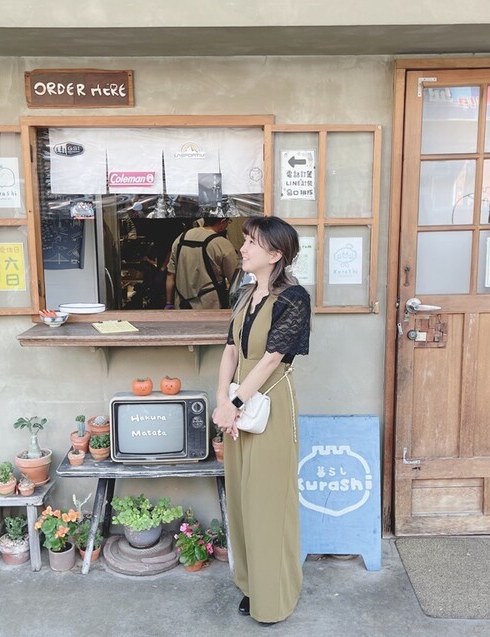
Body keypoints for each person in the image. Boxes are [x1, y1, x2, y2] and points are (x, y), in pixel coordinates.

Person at [212, 216, 311, 624]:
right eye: (246, 240)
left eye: (252, 242)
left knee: (269, 502)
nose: (243, 248)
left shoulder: (294, 299)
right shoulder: (245, 294)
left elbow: (271, 360)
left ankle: (274, 598)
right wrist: (222, 399)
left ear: (275, 254)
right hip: (238, 407)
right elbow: (230, 350)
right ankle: (252, 585)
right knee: (241, 499)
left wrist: (234, 402)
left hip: (269, 407)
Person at [165, 216, 239, 309]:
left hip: (181, 305)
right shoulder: (221, 243)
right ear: (222, 221)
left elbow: (170, 275)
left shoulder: (181, 238)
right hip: (209, 307)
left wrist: (169, 303)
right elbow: (236, 279)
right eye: (228, 222)